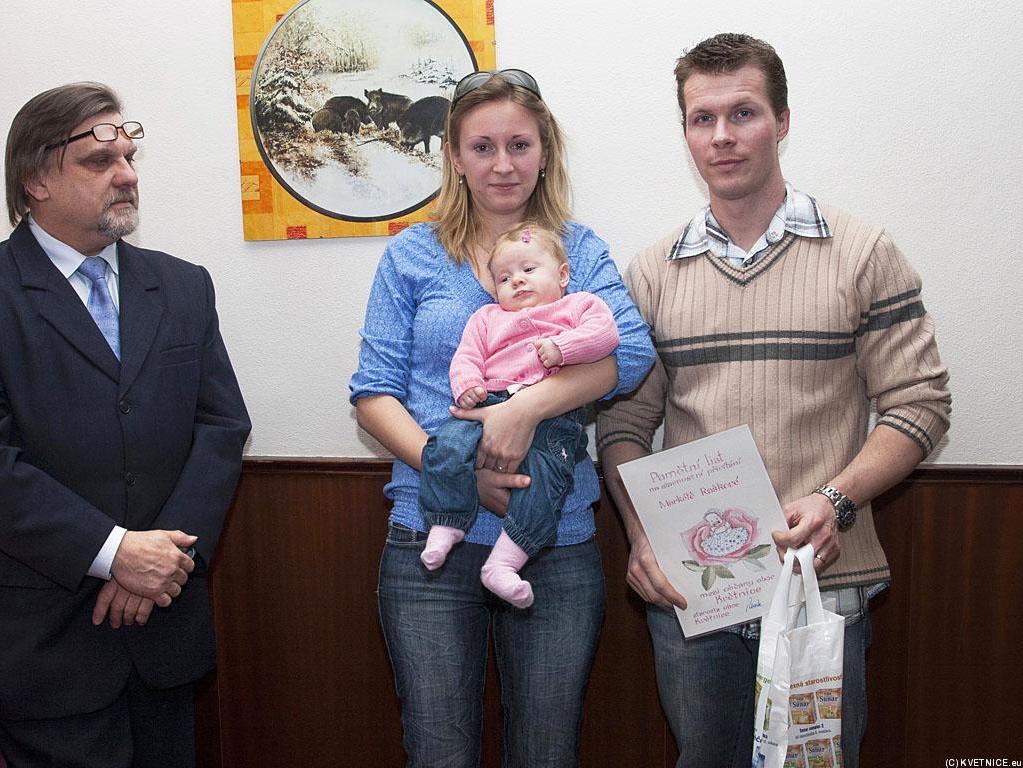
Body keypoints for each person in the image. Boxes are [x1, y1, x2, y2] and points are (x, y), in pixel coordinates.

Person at [596, 34, 951, 768]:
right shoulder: (651, 273)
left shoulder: (863, 252)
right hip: (695, 594)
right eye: (702, 118)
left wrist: (835, 499)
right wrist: (641, 535)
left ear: (782, 121)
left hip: (824, 589)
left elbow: (920, 403)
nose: (722, 136)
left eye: (744, 113)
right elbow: (624, 425)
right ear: (685, 132)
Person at [0, 82, 251, 768]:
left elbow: (220, 426)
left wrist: (163, 562)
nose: (126, 175)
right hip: (46, 651)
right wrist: (113, 552)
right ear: (35, 179)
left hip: (164, 637)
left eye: (129, 157)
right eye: (100, 161)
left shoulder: (183, 285)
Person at [350, 69, 654, 766]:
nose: (503, 164)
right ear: (454, 157)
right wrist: (456, 469)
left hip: (554, 543)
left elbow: (630, 353)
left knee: (546, 750)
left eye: (520, 144)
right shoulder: (412, 254)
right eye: (482, 147)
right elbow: (373, 394)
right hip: (428, 536)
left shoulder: (578, 251)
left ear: (544, 151)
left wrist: (523, 411)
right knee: (438, 751)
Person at [419, 221, 620, 609]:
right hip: (486, 403)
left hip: (555, 417)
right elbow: (466, 357)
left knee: (544, 480)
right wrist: (468, 385)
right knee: (445, 445)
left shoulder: (579, 306)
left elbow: (606, 336)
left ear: (563, 275)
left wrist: (563, 348)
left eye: (529, 269)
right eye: (505, 278)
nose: (518, 281)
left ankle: (505, 562)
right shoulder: (486, 318)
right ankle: (445, 523)